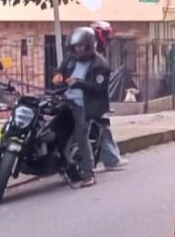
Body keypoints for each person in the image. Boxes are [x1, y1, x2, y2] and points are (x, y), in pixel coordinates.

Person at [52, 27, 111, 188]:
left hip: (85, 104)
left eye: (81, 46)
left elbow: (99, 88)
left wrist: (79, 83)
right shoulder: (71, 58)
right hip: (67, 99)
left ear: (89, 46)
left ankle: (88, 174)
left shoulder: (101, 65)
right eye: (75, 46)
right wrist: (58, 75)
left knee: (80, 135)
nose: (78, 49)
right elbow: (62, 69)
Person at [90, 21, 129, 171]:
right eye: (105, 35)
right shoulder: (92, 55)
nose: (106, 40)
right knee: (102, 127)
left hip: (90, 96)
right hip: (89, 97)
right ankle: (111, 159)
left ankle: (108, 158)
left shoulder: (94, 54)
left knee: (100, 126)